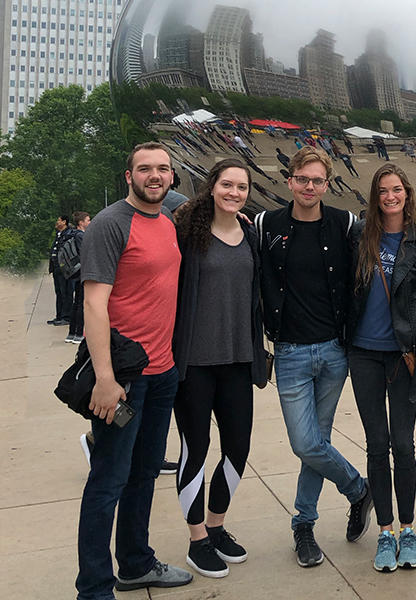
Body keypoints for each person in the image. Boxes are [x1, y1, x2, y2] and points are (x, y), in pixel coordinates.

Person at [76, 142, 193, 598]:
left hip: (162, 373)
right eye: (145, 169)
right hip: (122, 379)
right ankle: (94, 587)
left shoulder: (167, 219)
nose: (155, 176)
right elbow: (93, 304)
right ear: (129, 176)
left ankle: (136, 563)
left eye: (162, 169)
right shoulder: (110, 224)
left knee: (144, 473)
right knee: (108, 481)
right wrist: (105, 380)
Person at [253, 147, 373, 568]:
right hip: (289, 352)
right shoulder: (267, 223)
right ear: (290, 181)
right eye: (302, 179)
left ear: (327, 184)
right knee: (306, 443)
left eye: (317, 180)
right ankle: (358, 489)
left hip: (333, 352)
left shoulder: (343, 224)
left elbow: (370, 269)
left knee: (314, 442)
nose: (309, 187)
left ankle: (303, 526)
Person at [171, 158, 268, 578]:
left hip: (237, 359)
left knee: (238, 448)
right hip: (193, 362)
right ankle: (197, 540)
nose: (234, 193)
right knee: (195, 449)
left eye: (241, 187)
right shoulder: (186, 233)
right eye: (227, 185)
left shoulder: (249, 233)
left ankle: (217, 524)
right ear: (211, 187)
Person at [347, 163, 416, 572]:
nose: (390, 196)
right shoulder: (358, 235)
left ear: (407, 193)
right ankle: (385, 532)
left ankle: (408, 529)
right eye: (383, 190)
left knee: (403, 444)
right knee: (376, 444)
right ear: (375, 194)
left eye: (397, 189)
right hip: (363, 353)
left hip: (405, 354)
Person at [66, 211, 91, 344]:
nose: (90, 222)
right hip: (82, 272)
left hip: (75, 272)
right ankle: (79, 333)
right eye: (88, 220)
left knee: (76, 303)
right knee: (82, 303)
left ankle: (71, 332)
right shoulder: (81, 236)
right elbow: (85, 254)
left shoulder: (71, 234)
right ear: (81, 223)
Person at [48, 214, 75, 326]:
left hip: (64, 269)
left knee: (66, 292)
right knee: (59, 292)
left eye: (58, 220)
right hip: (56, 269)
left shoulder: (68, 234)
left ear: (64, 222)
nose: (57, 222)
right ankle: (59, 315)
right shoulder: (59, 235)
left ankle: (66, 316)